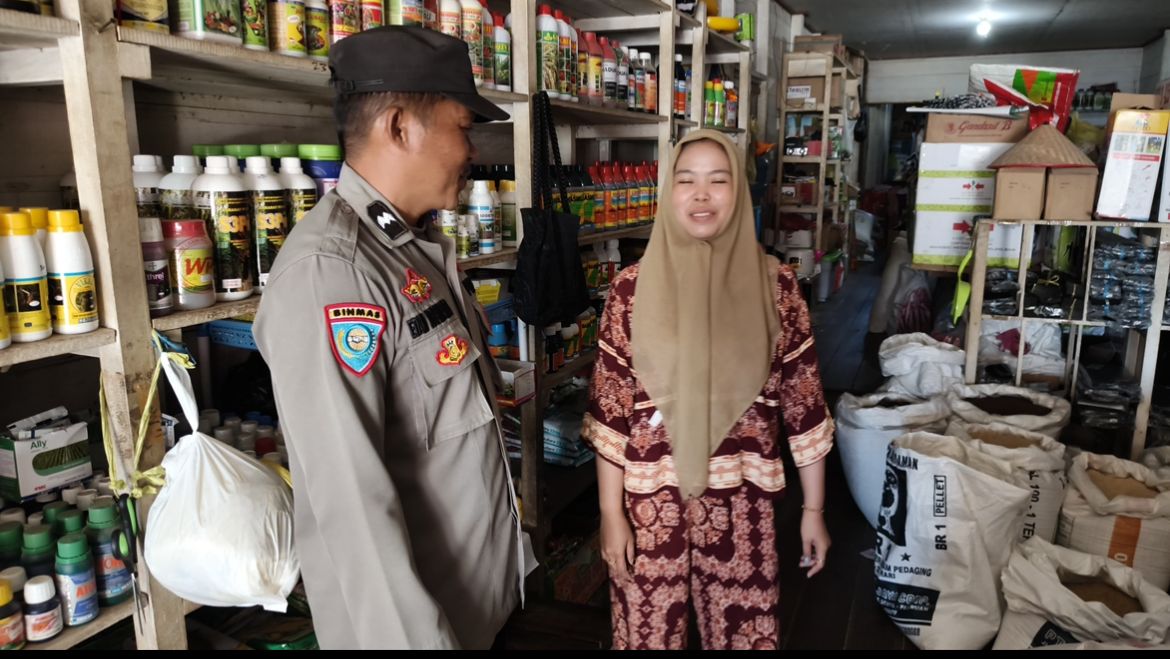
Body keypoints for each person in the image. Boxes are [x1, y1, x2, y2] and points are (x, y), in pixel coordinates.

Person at [253, 27, 523, 650]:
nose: (471, 150)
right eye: (463, 127)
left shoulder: (407, 250)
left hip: (470, 611)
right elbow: (350, 508)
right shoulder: (334, 272)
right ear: (400, 127)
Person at [582, 130, 834, 650]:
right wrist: (610, 515)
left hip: (743, 505)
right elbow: (611, 413)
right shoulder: (630, 290)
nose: (702, 195)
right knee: (646, 639)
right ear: (668, 192)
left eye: (718, 181)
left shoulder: (777, 288)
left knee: (746, 637)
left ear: (738, 191)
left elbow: (804, 405)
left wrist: (814, 510)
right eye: (686, 181)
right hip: (651, 509)